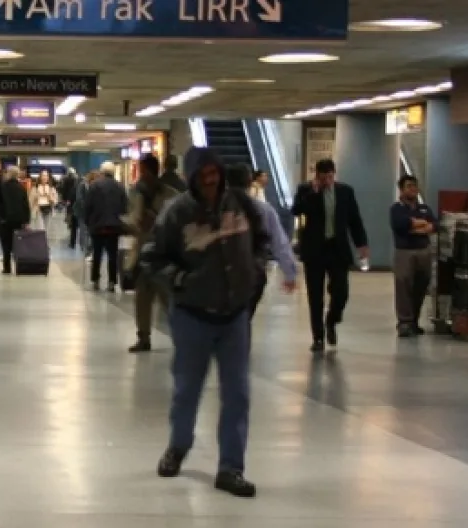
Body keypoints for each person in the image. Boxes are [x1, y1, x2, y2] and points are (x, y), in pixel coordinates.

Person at [140, 147, 277, 499]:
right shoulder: (177, 212)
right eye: (204, 175)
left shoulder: (241, 205)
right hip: (193, 317)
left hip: (235, 317)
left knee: (237, 394)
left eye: (215, 173)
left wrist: (255, 270)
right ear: (192, 178)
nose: (211, 180)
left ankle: (231, 468)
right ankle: (178, 446)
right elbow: (151, 257)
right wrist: (181, 281)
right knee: (187, 390)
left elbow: (262, 239)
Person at [290, 159, 369, 354]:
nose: (327, 180)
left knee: (341, 292)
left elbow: (354, 219)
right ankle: (318, 337)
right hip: (314, 250)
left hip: (337, 249)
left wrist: (361, 244)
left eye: (330, 176)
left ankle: (332, 320)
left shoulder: (345, 191)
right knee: (315, 296)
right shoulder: (305, 189)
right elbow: (296, 210)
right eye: (323, 177)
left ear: (334, 174)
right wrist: (313, 192)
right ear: (316, 176)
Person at [125, 154, 185, 352]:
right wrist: (132, 224)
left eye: (142, 170)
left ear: (149, 171)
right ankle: (143, 337)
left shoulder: (169, 194)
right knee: (142, 298)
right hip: (143, 253)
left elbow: (177, 223)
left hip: (163, 255)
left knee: (167, 298)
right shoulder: (137, 193)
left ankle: (182, 338)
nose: (141, 174)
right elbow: (132, 219)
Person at [225, 164, 298, 318]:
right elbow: (279, 242)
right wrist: (289, 273)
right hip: (253, 274)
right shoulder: (264, 210)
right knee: (243, 318)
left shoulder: (215, 209)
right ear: (249, 182)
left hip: (222, 275)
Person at [389, 175, 437, 337]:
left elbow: (434, 224)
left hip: (424, 251)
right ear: (401, 190)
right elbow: (401, 225)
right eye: (409, 186)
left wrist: (419, 226)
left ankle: (414, 321)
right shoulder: (396, 209)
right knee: (403, 286)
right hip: (405, 252)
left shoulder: (424, 208)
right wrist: (420, 224)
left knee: (421, 286)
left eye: (415, 186)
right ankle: (404, 322)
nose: (413, 189)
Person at [85, 161, 129, 291]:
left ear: (102, 172)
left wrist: (88, 222)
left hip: (97, 225)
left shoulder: (94, 186)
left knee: (97, 254)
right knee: (112, 255)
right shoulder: (120, 187)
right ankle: (112, 281)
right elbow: (125, 207)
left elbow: (88, 206)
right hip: (114, 226)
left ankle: (95, 279)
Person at [0, 166, 32, 274]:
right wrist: (26, 221)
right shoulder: (21, 188)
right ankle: (19, 266)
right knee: (18, 244)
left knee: (6, 244)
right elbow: (26, 206)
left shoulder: (2, 187)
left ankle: (7, 268)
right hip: (19, 220)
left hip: (5, 220)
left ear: (8, 174)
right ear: (17, 175)